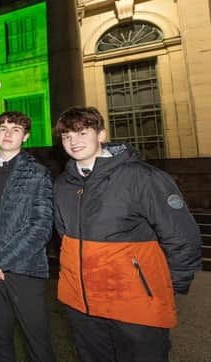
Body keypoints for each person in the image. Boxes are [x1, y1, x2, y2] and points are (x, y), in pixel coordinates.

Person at [53, 106, 202, 362]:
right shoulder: (62, 185)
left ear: (101, 135)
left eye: (81, 133)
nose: (73, 142)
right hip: (82, 305)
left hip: (135, 304)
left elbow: (182, 236)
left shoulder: (142, 177)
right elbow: (63, 234)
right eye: (67, 136)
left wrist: (166, 287)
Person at [0, 111, 55, 361]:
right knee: (0, 340)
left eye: (15, 129)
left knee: (37, 343)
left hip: (25, 270)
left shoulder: (37, 173)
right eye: (3, 128)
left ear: (25, 136)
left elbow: (41, 226)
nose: (8, 134)